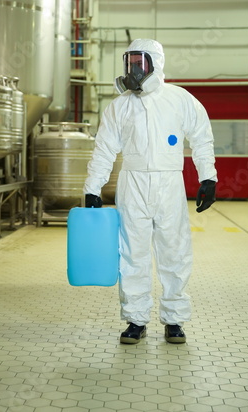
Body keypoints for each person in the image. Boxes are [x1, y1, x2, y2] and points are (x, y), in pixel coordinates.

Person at [84, 38, 217, 344]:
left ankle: (174, 320)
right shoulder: (119, 107)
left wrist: (208, 178)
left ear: (155, 63)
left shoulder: (180, 100)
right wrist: (93, 188)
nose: (133, 69)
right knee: (133, 253)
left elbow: (202, 138)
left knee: (175, 251)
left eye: (139, 63)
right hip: (132, 184)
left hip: (170, 183)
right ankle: (135, 319)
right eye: (129, 63)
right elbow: (104, 149)